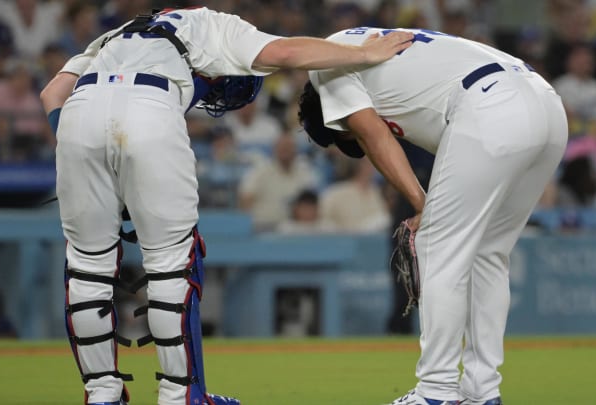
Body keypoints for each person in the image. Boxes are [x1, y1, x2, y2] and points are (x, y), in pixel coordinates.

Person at [39, 7, 413, 405]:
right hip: (151, 106)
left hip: (78, 117)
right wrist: (364, 55)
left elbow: (51, 94)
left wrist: (90, 158)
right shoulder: (214, 22)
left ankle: (101, 393)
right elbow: (286, 54)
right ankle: (180, 396)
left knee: (88, 267)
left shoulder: (116, 34)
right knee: (170, 265)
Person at [298, 26, 567, 405]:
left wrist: (423, 204)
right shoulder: (366, 44)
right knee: (488, 254)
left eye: (345, 136)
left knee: (437, 245)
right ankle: (482, 391)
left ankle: (435, 392)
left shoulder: (325, 65)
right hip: (547, 103)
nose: (353, 137)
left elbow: (374, 135)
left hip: (490, 104)